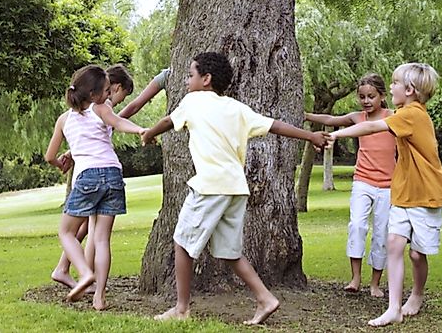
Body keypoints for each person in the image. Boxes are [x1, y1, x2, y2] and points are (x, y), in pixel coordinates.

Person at [142, 51, 331, 325]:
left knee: (182, 243)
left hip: (210, 186)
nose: (186, 81)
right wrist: (310, 135)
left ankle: (181, 309)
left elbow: (168, 122)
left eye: (190, 75)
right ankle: (265, 298)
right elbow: (275, 126)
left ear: (205, 80)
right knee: (228, 252)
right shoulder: (237, 108)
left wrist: (148, 133)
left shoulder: (193, 100)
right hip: (235, 188)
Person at [328, 63, 442, 327]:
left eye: (394, 83)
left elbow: (371, 128)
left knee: (417, 254)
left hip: (426, 194)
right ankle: (394, 308)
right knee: (393, 244)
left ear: (410, 90)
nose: (390, 87)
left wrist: (336, 134)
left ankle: (415, 295)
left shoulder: (412, 114)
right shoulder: (405, 112)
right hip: (403, 192)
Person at [47, 66, 170, 291]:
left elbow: (49, 156)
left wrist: (61, 163)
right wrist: (141, 130)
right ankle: (98, 295)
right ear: (95, 94)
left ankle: (84, 273)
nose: (110, 97)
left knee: (68, 231)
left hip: (86, 177)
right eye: (107, 92)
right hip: (113, 174)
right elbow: (119, 123)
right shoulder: (101, 109)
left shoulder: (64, 119)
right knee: (100, 237)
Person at [305, 72, 396, 296]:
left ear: (382, 96)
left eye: (371, 96)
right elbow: (330, 121)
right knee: (357, 225)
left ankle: (375, 283)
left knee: (381, 233)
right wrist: (306, 115)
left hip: (388, 185)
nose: (366, 101)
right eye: (362, 97)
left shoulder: (393, 117)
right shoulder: (357, 118)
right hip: (363, 181)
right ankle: (355, 278)